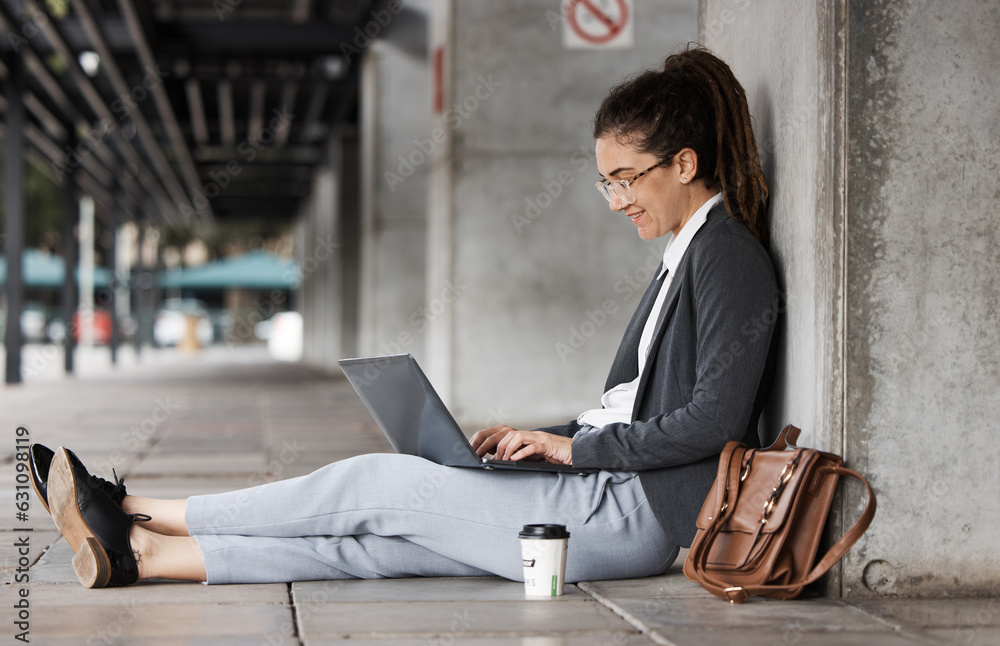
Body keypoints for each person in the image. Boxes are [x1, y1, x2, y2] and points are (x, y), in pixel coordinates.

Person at [30, 45, 779, 589]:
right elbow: (636, 404)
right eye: (604, 182)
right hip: (605, 491)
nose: (616, 201)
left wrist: (570, 452)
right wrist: (546, 436)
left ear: (684, 163)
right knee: (372, 544)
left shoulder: (727, 257)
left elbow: (714, 421)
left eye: (625, 179)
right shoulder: (686, 252)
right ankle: (143, 557)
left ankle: (126, 505)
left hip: (633, 515)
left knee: (369, 485)